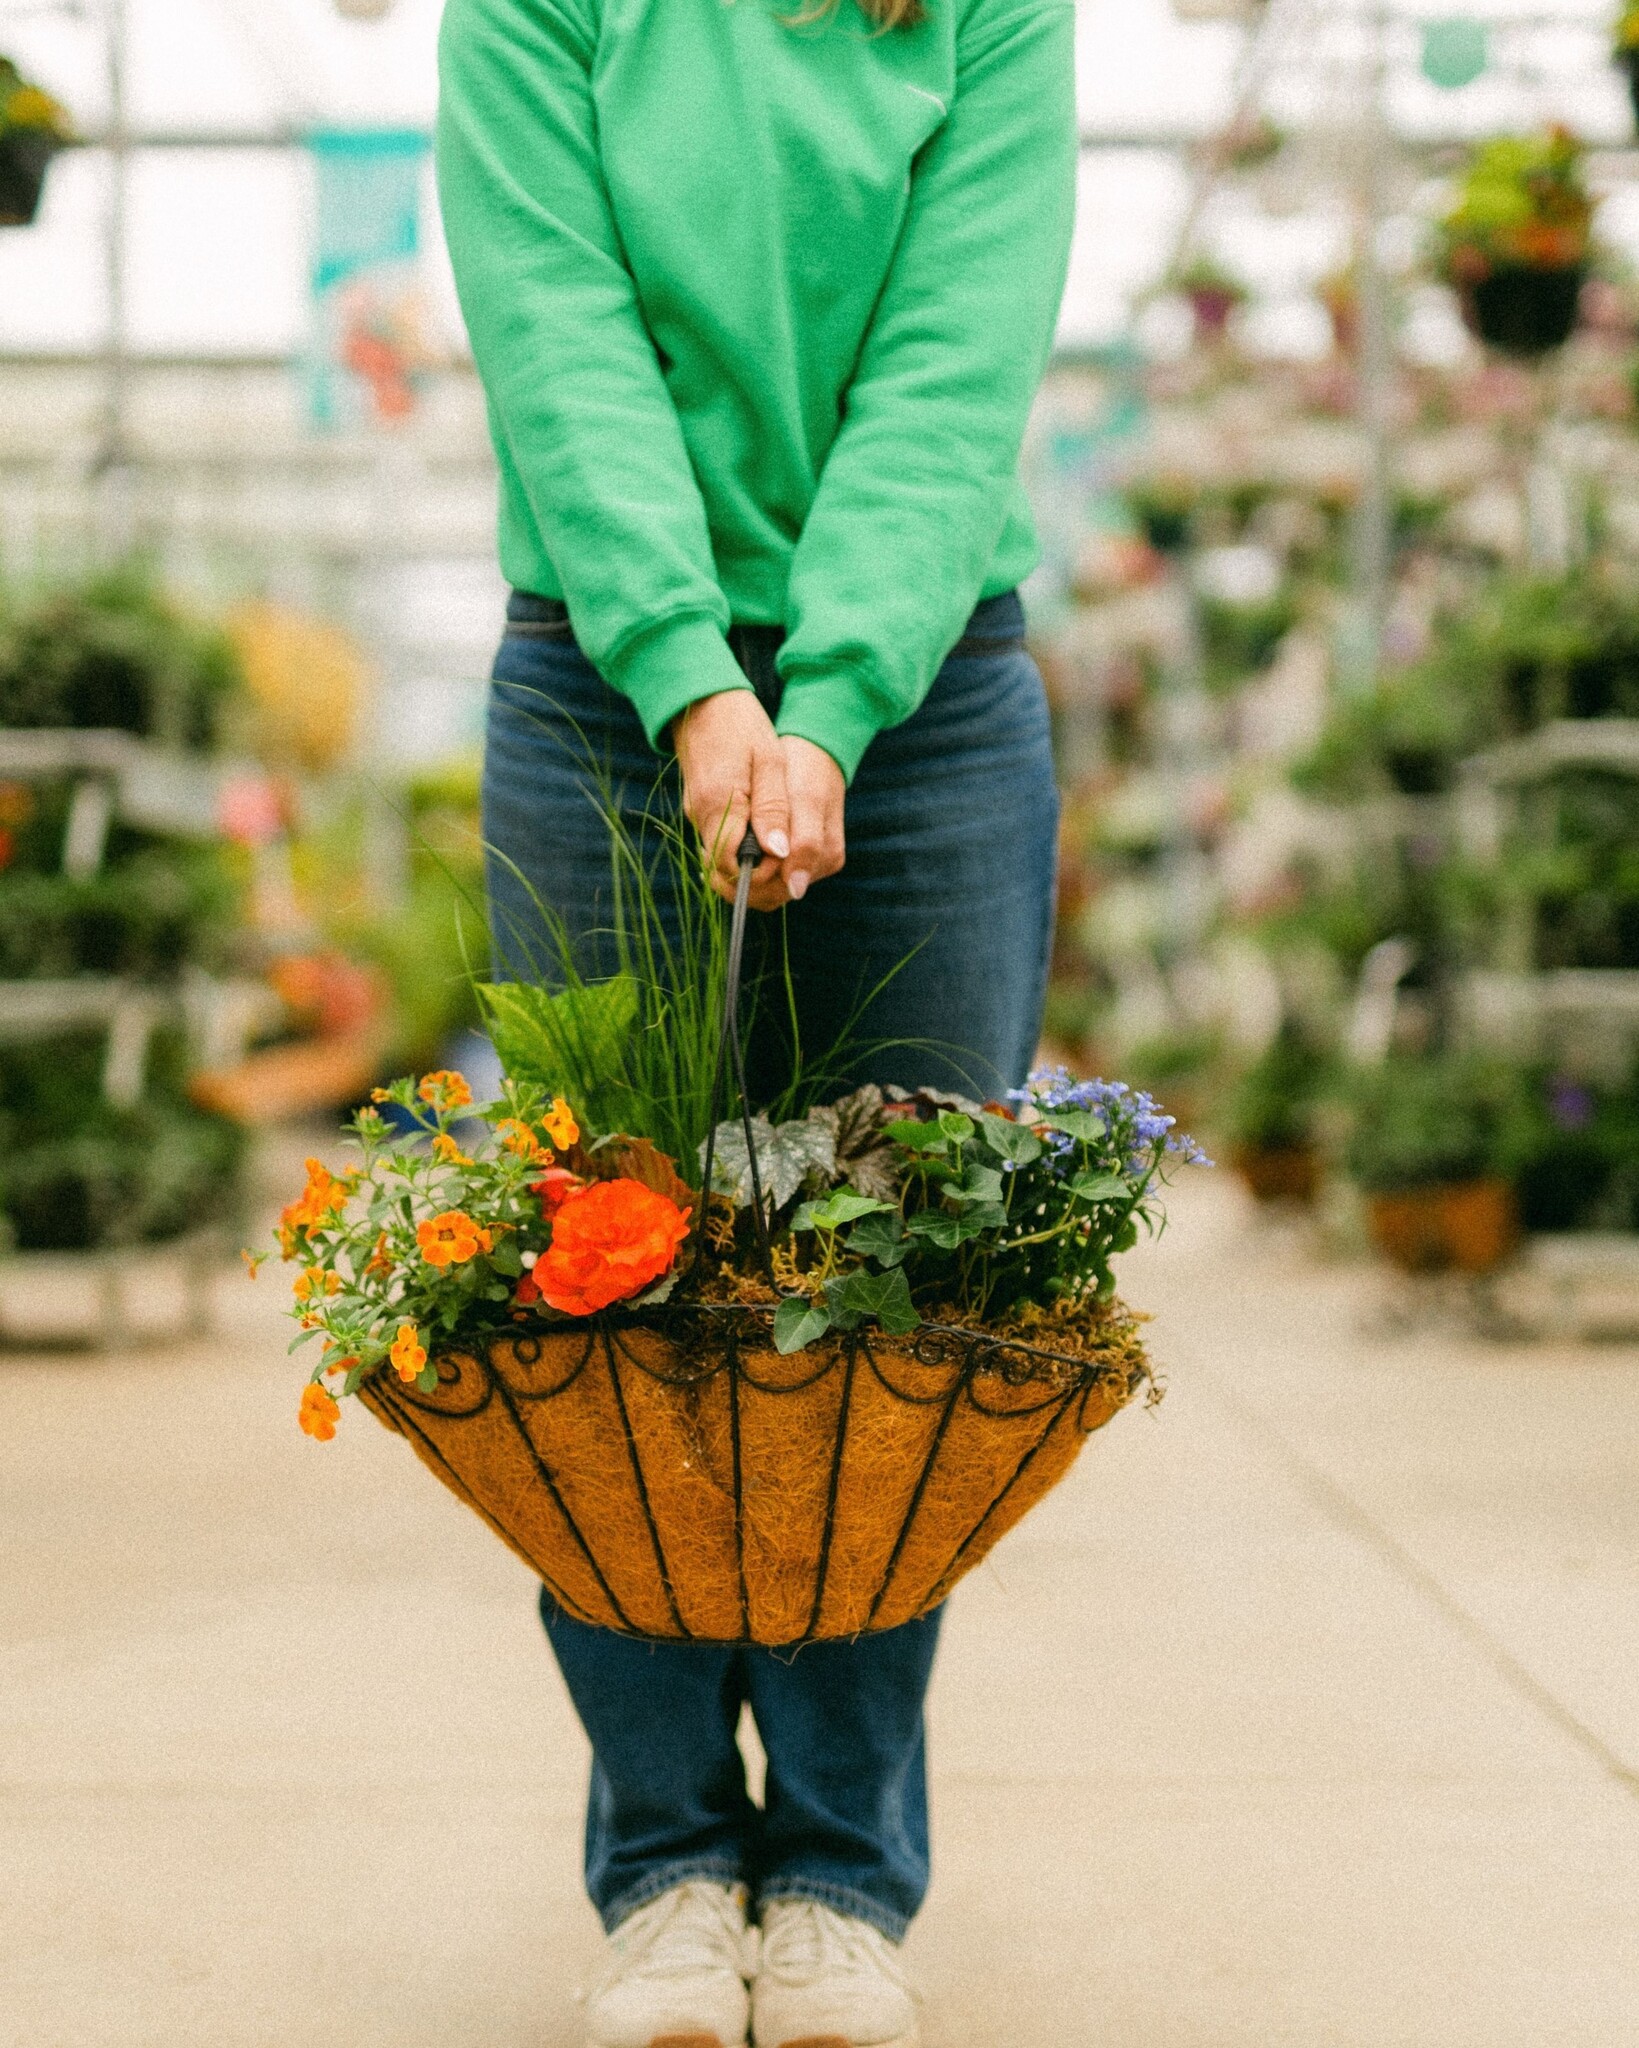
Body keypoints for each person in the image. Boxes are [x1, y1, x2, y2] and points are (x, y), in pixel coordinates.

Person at [438, 0, 1076, 2039]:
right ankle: (660, 1865)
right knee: (596, 1281)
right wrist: (696, 684)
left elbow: (953, 366)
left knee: (889, 1297)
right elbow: (559, 338)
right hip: (601, 677)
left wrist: (833, 699)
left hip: (930, 690)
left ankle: (837, 1880)